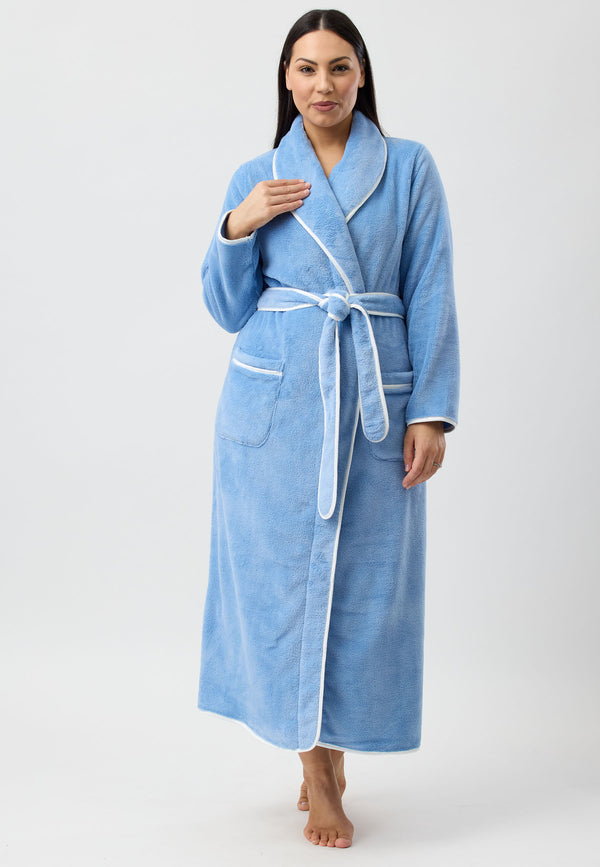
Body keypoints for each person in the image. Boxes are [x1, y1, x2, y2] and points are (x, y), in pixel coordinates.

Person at [197, 9, 460, 848]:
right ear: (286, 77)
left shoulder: (408, 168)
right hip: (276, 413)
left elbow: (430, 286)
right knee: (284, 584)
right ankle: (316, 771)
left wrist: (429, 411)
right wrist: (236, 226)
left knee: (362, 586)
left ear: (361, 74)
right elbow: (226, 308)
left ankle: (334, 752)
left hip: (371, 401)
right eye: (307, 69)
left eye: (339, 67)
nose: (323, 85)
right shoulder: (258, 175)